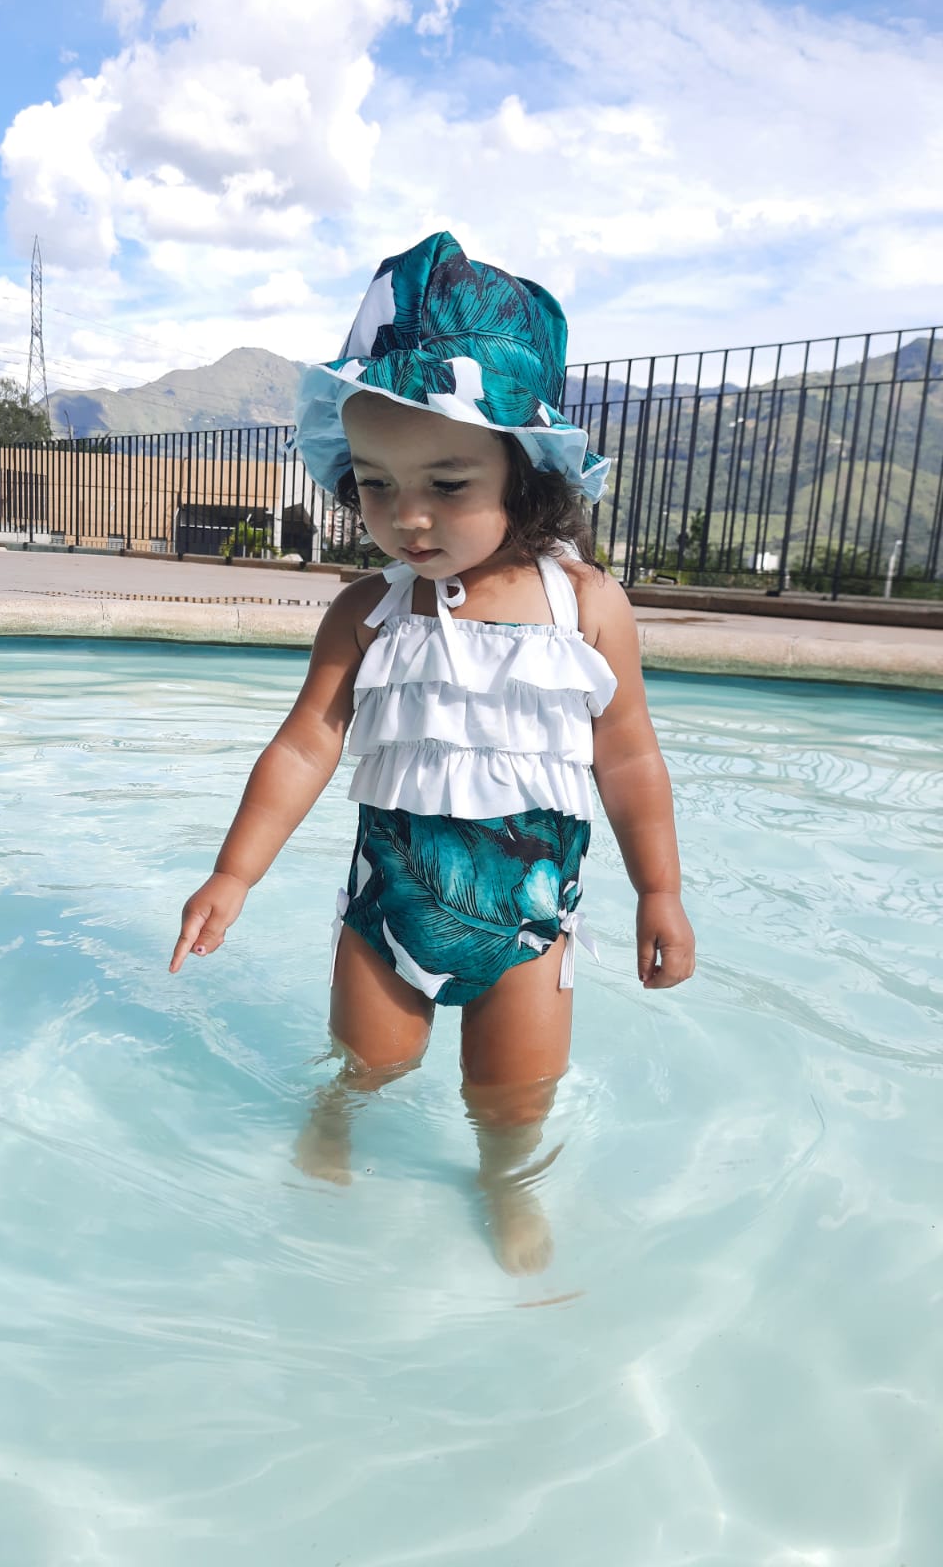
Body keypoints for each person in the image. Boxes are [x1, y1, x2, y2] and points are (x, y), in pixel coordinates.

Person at [171, 232, 695, 1274]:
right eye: (373, 484)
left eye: (447, 483)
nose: (405, 517)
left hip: (532, 912)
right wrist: (234, 872)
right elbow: (305, 742)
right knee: (370, 1059)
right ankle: (332, 1126)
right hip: (389, 904)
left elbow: (629, 761)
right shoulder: (368, 611)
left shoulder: (587, 609)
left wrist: (660, 892)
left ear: (529, 476)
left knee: (512, 1093)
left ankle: (505, 1189)